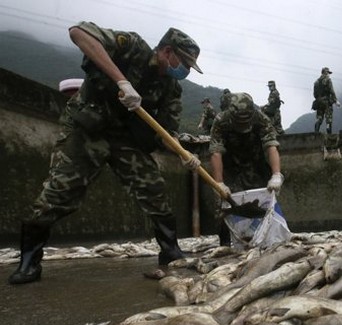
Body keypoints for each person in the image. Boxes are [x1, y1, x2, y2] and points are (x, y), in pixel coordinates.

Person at [7, 22, 203, 285]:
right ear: (167, 51)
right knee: (60, 192)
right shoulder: (131, 46)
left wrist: (182, 154)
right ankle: (30, 261)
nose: (185, 71)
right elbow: (78, 32)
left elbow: (166, 131)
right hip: (89, 129)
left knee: (153, 189)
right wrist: (121, 80)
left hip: (125, 138)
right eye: (185, 63)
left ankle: (170, 251)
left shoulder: (170, 88)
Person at [208, 92, 283, 246]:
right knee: (224, 205)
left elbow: (271, 146)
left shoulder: (261, 118)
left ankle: (265, 240)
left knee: (262, 202)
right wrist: (219, 183)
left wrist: (276, 174)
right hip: (230, 165)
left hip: (255, 163)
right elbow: (216, 152)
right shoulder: (221, 120)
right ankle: (226, 244)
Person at [312, 67, 341, 137]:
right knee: (329, 119)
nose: (329, 74)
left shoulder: (316, 82)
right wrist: (336, 101)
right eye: (328, 73)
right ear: (325, 72)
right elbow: (331, 91)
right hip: (326, 102)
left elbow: (314, 94)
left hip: (319, 102)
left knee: (319, 118)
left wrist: (319, 98)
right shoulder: (328, 80)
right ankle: (329, 134)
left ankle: (316, 133)